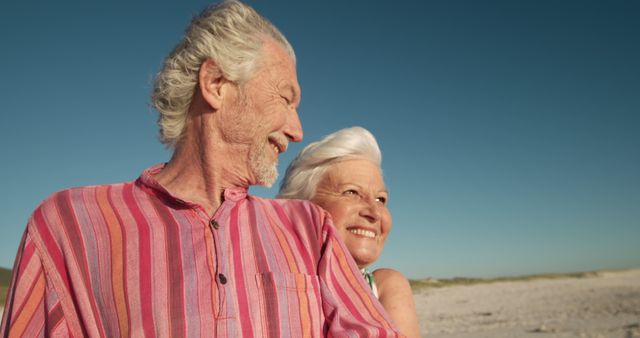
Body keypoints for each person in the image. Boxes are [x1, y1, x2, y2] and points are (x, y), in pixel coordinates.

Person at [0, 2, 402, 337]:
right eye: (286, 98)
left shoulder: (309, 229)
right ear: (216, 83)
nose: (297, 131)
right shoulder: (68, 226)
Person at [279, 127, 420, 337]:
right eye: (352, 192)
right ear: (300, 206)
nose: (374, 213)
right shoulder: (269, 284)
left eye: (381, 199)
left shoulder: (385, 288)